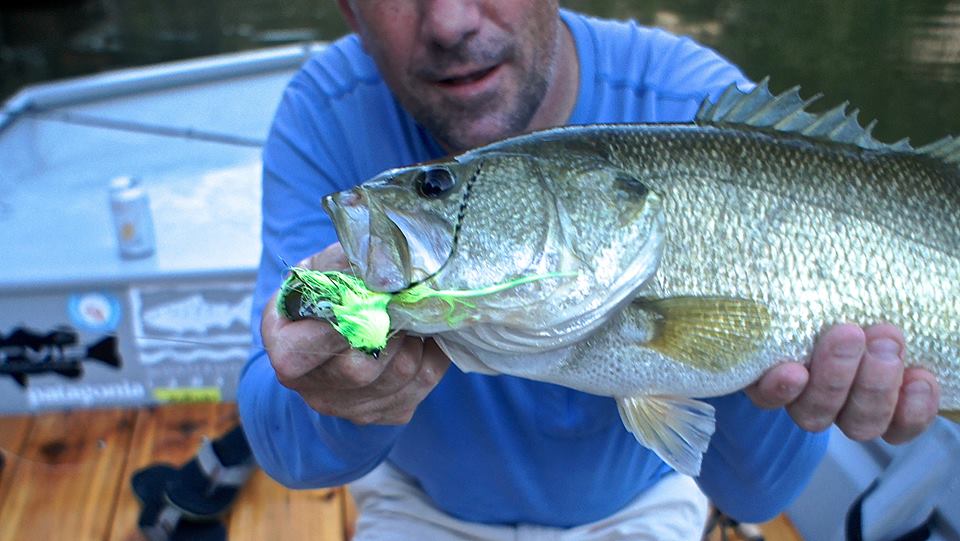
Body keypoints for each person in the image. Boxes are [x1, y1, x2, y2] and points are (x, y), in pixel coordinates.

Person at [238, 2, 942, 539]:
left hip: (643, 511)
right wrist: (330, 386)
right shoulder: (323, 113)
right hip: (419, 510)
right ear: (350, 11)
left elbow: (756, 496)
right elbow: (284, 444)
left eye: (436, 188)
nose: (449, 21)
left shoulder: (696, 107)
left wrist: (784, 389)